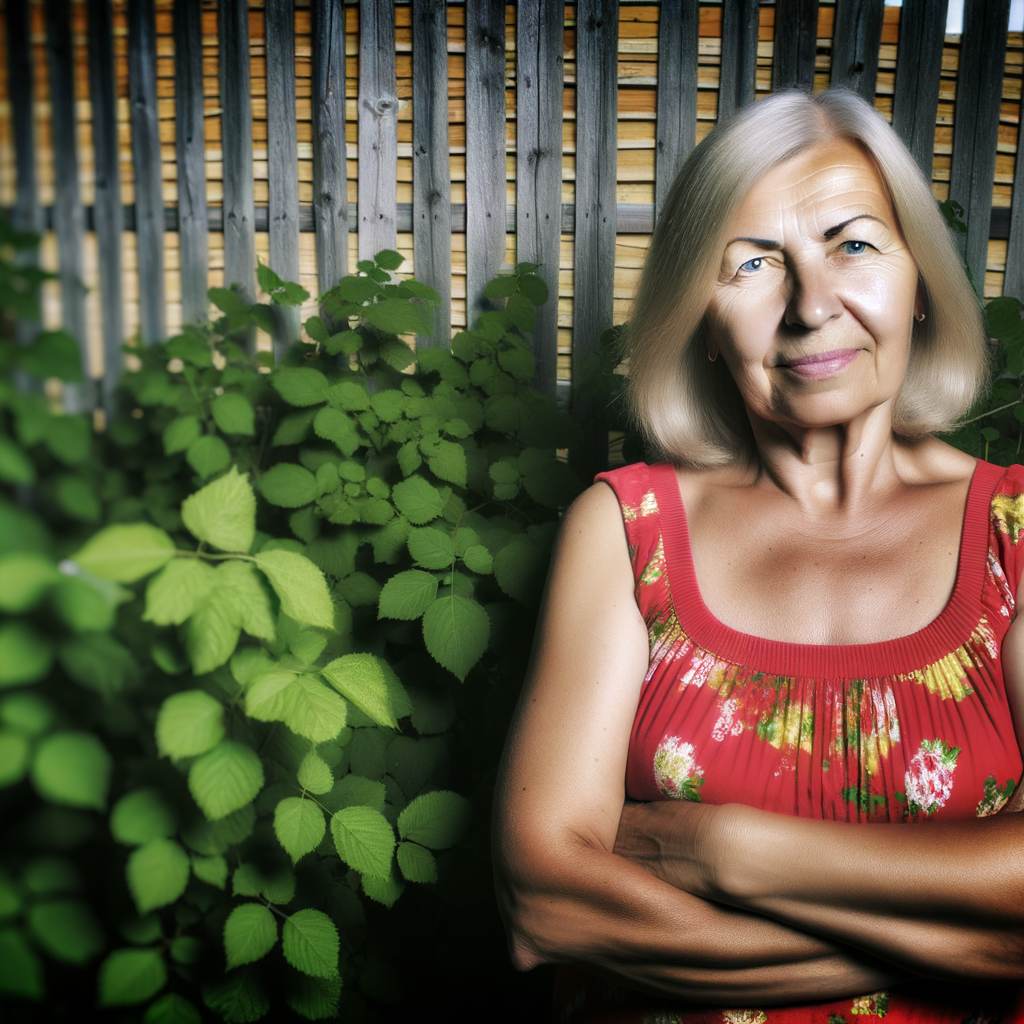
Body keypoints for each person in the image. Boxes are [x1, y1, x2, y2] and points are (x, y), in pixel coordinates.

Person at [491, 88, 1024, 1024]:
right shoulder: (623, 530)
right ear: (699, 311)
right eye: (754, 264)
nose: (813, 305)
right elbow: (548, 905)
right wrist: (980, 938)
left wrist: (726, 852)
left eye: (853, 244)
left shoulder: (1017, 534)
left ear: (920, 281)